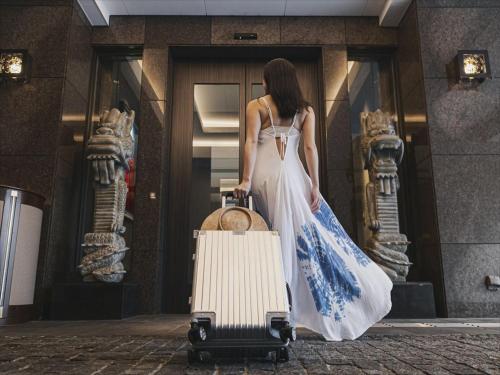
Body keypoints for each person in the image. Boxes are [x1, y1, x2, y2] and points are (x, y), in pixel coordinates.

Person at [233, 58, 393, 341]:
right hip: (294, 176)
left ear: (269, 80)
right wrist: (315, 186)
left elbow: (250, 143)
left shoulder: (256, 106)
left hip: (264, 177)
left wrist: (246, 180)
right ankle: (290, 314)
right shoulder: (305, 111)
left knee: (275, 239)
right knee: (308, 237)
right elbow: (310, 148)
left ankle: (281, 312)